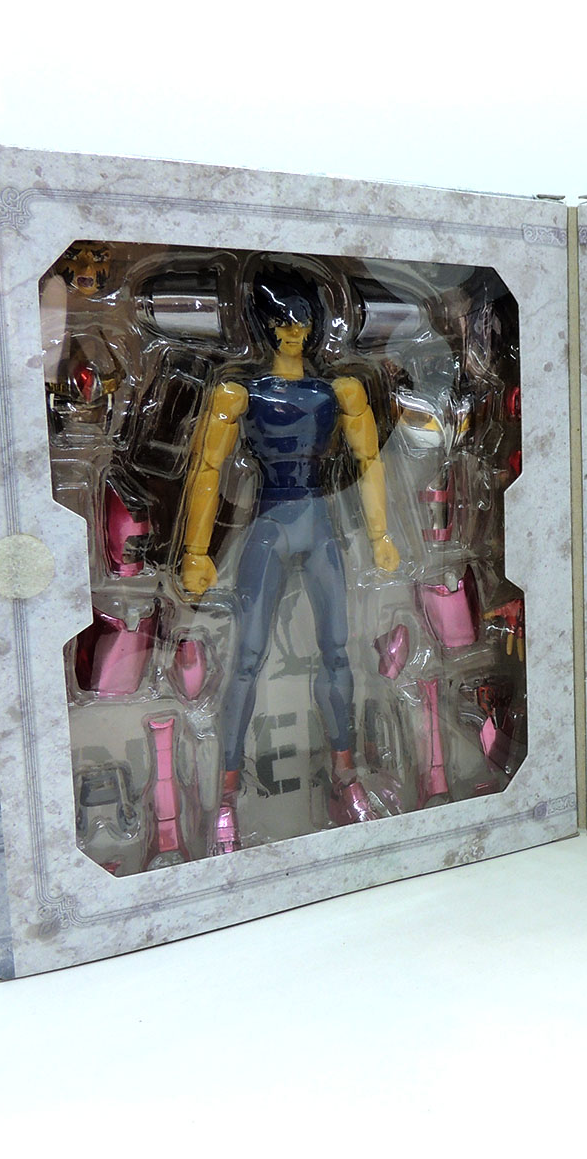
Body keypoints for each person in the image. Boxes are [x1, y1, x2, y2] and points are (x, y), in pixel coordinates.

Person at [179, 261, 400, 852]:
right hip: (270, 525)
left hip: (320, 524)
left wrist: (380, 534)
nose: (293, 331)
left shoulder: (340, 391)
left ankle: (344, 777)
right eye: (282, 321)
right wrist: (196, 550)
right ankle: (226, 795)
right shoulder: (238, 394)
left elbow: (369, 461)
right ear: (264, 325)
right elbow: (207, 470)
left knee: (337, 651)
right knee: (246, 658)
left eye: (302, 319)